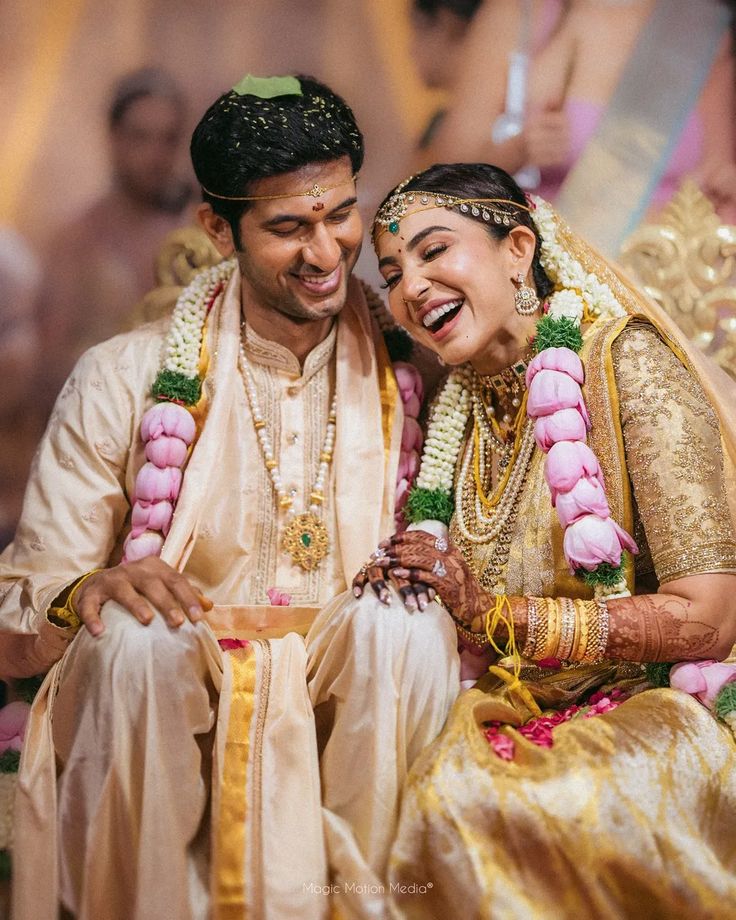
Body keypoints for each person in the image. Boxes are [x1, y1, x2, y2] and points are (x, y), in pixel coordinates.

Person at [2, 75, 459, 920]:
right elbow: (17, 613)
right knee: (134, 640)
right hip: (177, 691)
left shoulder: (426, 365)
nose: (327, 254)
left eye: (341, 215)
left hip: (353, 679)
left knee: (407, 626)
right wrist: (83, 595)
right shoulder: (122, 379)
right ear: (219, 228)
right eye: (289, 227)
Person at [355, 161, 736, 916]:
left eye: (435, 251)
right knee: (407, 798)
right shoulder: (456, 410)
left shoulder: (624, 362)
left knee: (500, 806)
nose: (412, 288)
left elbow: (711, 619)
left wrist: (500, 615)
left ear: (518, 250)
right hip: (512, 708)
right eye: (394, 272)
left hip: (661, 704)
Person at [36, 67, 193, 411]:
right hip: (98, 418)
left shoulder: (195, 235)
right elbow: (49, 365)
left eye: (167, 139)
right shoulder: (78, 241)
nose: (156, 155)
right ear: (114, 138)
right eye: (140, 137)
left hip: (183, 422)